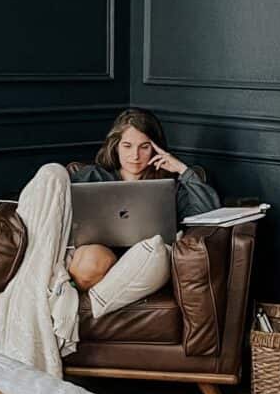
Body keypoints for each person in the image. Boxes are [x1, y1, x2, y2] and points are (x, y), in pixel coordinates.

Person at [67, 109, 220, 290]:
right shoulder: (94, 176)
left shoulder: (168, 186)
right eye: (127, 146)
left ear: (156, 148)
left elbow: (209, 214)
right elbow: (63, 215)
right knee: (89, 263)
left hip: (146, 262)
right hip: (101, 253)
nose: (135, 155)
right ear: (115, 146)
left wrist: (181, 169)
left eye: (144, 147)